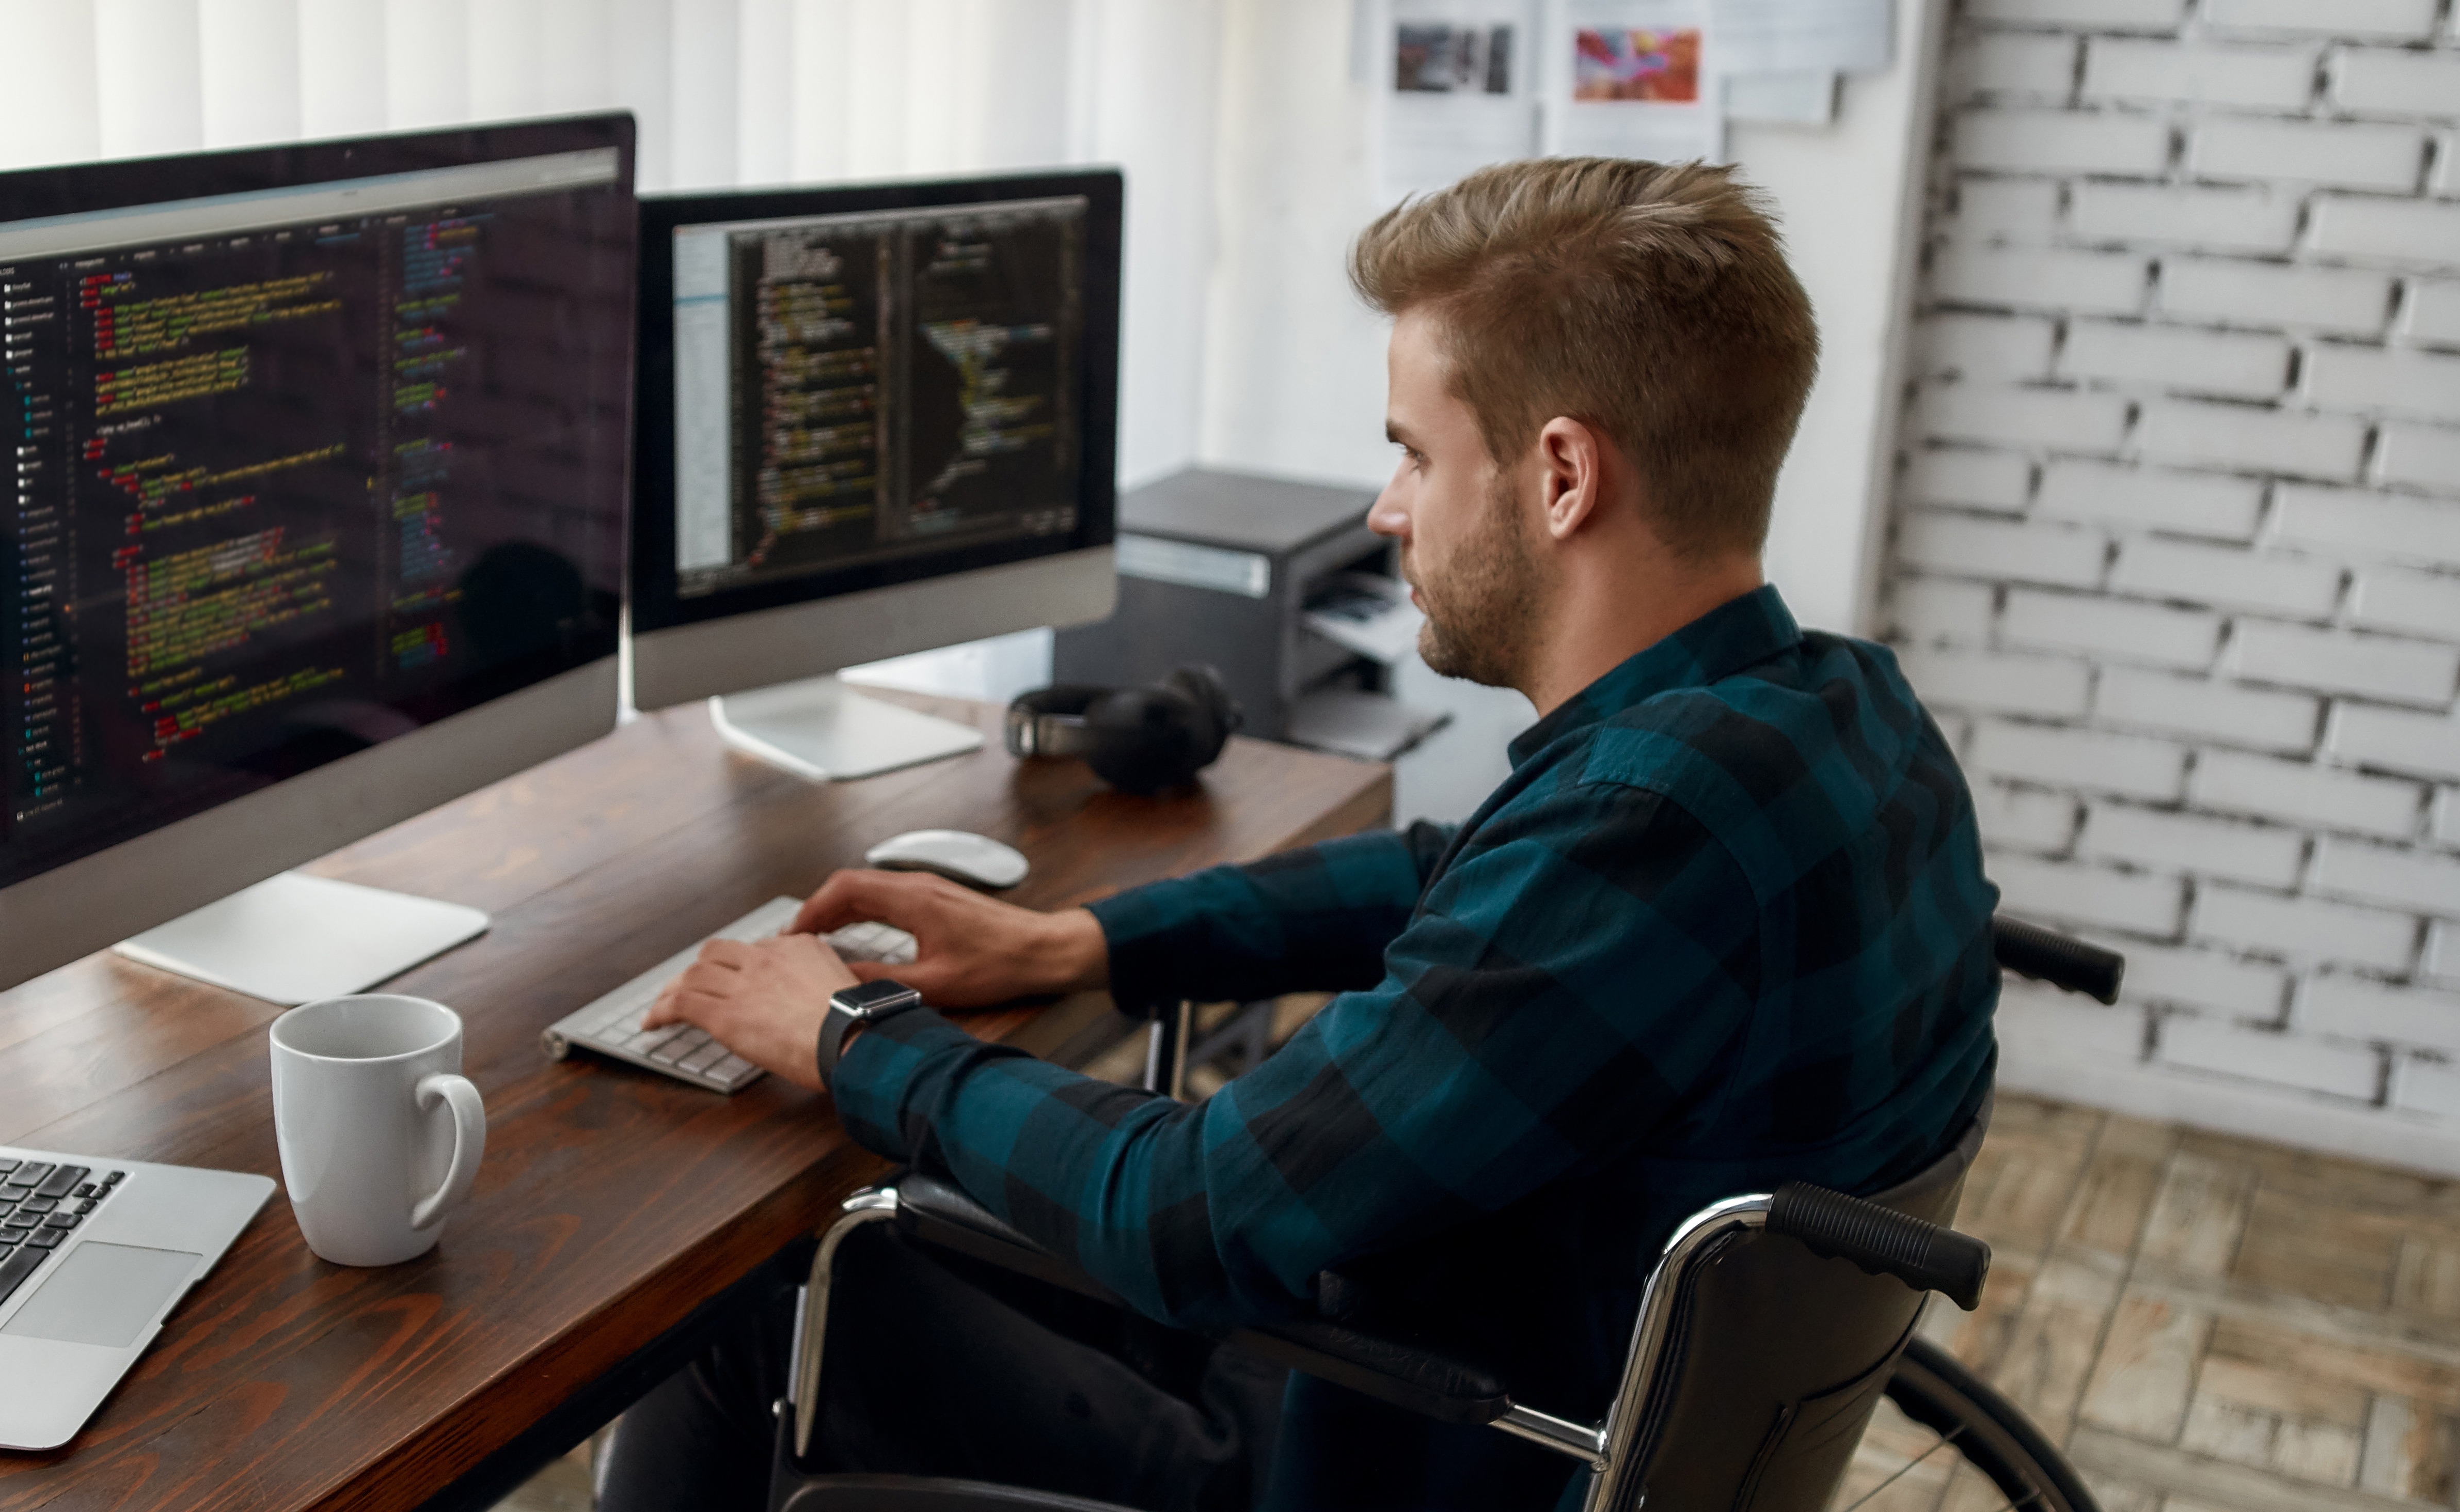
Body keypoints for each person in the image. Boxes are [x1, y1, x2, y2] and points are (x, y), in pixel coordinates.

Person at [602, 158, 2001, 1512]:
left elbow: (1186, 1215)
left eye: (1412, 453)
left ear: (1562, 475)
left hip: (1380, 1444)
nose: (1389, 509)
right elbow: (1445, 874)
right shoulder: (1842, 715)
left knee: (751, 1310)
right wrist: (1078, 939)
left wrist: (852, 1032)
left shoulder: (1649, 827)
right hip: (1507, 1377)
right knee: (943, 1188)